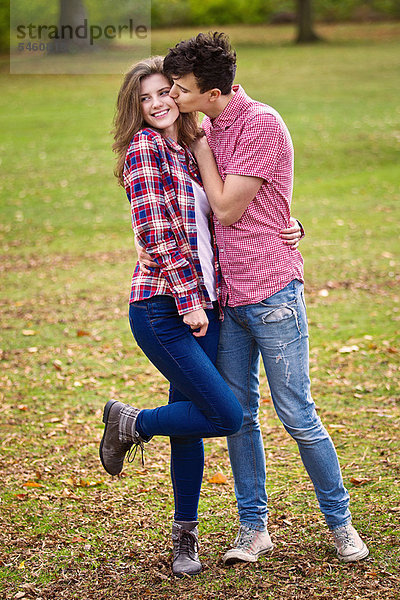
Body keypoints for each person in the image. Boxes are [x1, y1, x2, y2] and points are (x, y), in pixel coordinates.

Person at [157, 32, 369, 564]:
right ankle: (254, 528)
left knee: (297, 414)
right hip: (227, 300)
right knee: (241, 415)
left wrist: (202, 147)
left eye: (181, 89)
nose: (174, 97)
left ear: (211, 93)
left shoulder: (259, 124)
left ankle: (341, 524)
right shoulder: (203, 123)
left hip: (272, 293)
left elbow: (226, 209)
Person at [99, 55, 302, 578]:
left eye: (164, 91)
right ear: (135, 110)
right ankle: (130, 421)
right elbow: (155, 233)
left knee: (188, 420)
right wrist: (189, 300)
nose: (158, 103)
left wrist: (289, 223)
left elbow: (228, 210)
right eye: (144, 98)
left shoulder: (188, 148)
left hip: (205, 306)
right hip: (164, 308)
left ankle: (184, 536)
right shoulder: (145, 148)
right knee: (226, 414)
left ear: (181, 93)